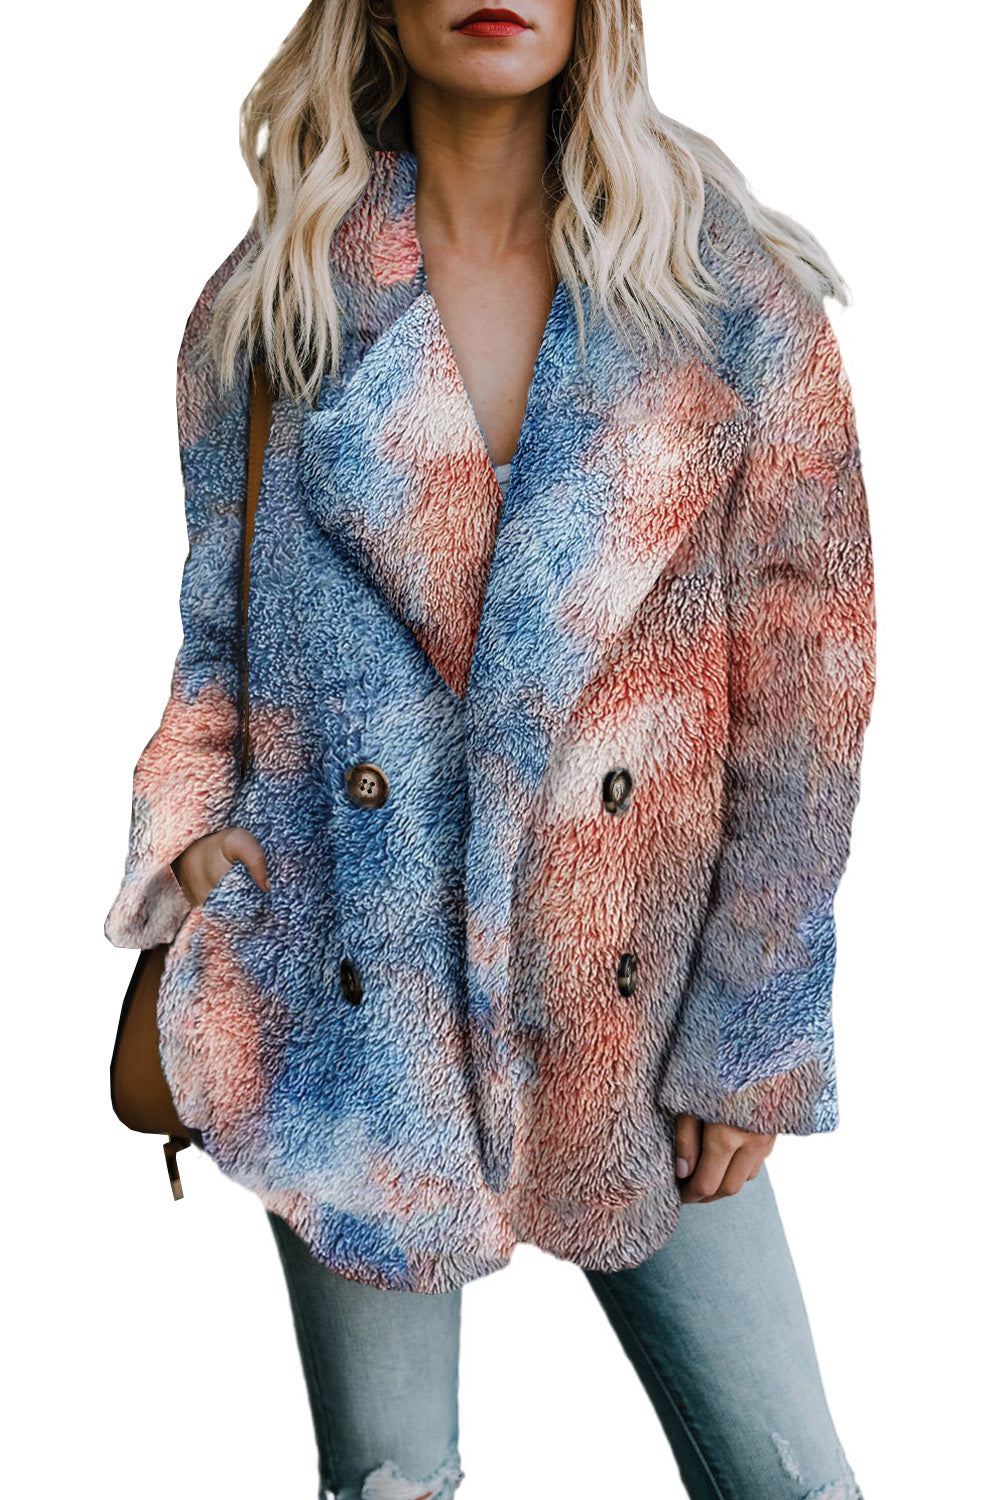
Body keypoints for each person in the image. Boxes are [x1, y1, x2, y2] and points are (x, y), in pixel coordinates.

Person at [104, 3, 876, 1497]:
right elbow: (215, 647)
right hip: (352, 996)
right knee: (390, 1485)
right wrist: (189, 843)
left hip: (643, 1010)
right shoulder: (271, 315)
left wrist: (753, 1028)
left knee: (790, 1481)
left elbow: (808, 706)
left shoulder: (728, 305)